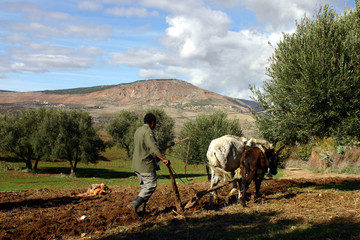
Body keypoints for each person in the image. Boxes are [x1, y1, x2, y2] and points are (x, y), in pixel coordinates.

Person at [128, 113, 171, 216]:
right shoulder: (148, 132)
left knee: (144, 187)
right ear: (152, 123)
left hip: (136, 165)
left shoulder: (138, 130)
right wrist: (164, 159)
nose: (155, 125)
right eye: (155, 123)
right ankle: (134, 204)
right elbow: (153, 148)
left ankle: (140, 211)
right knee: (151, 185)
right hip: (145, 165)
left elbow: (145, 147)